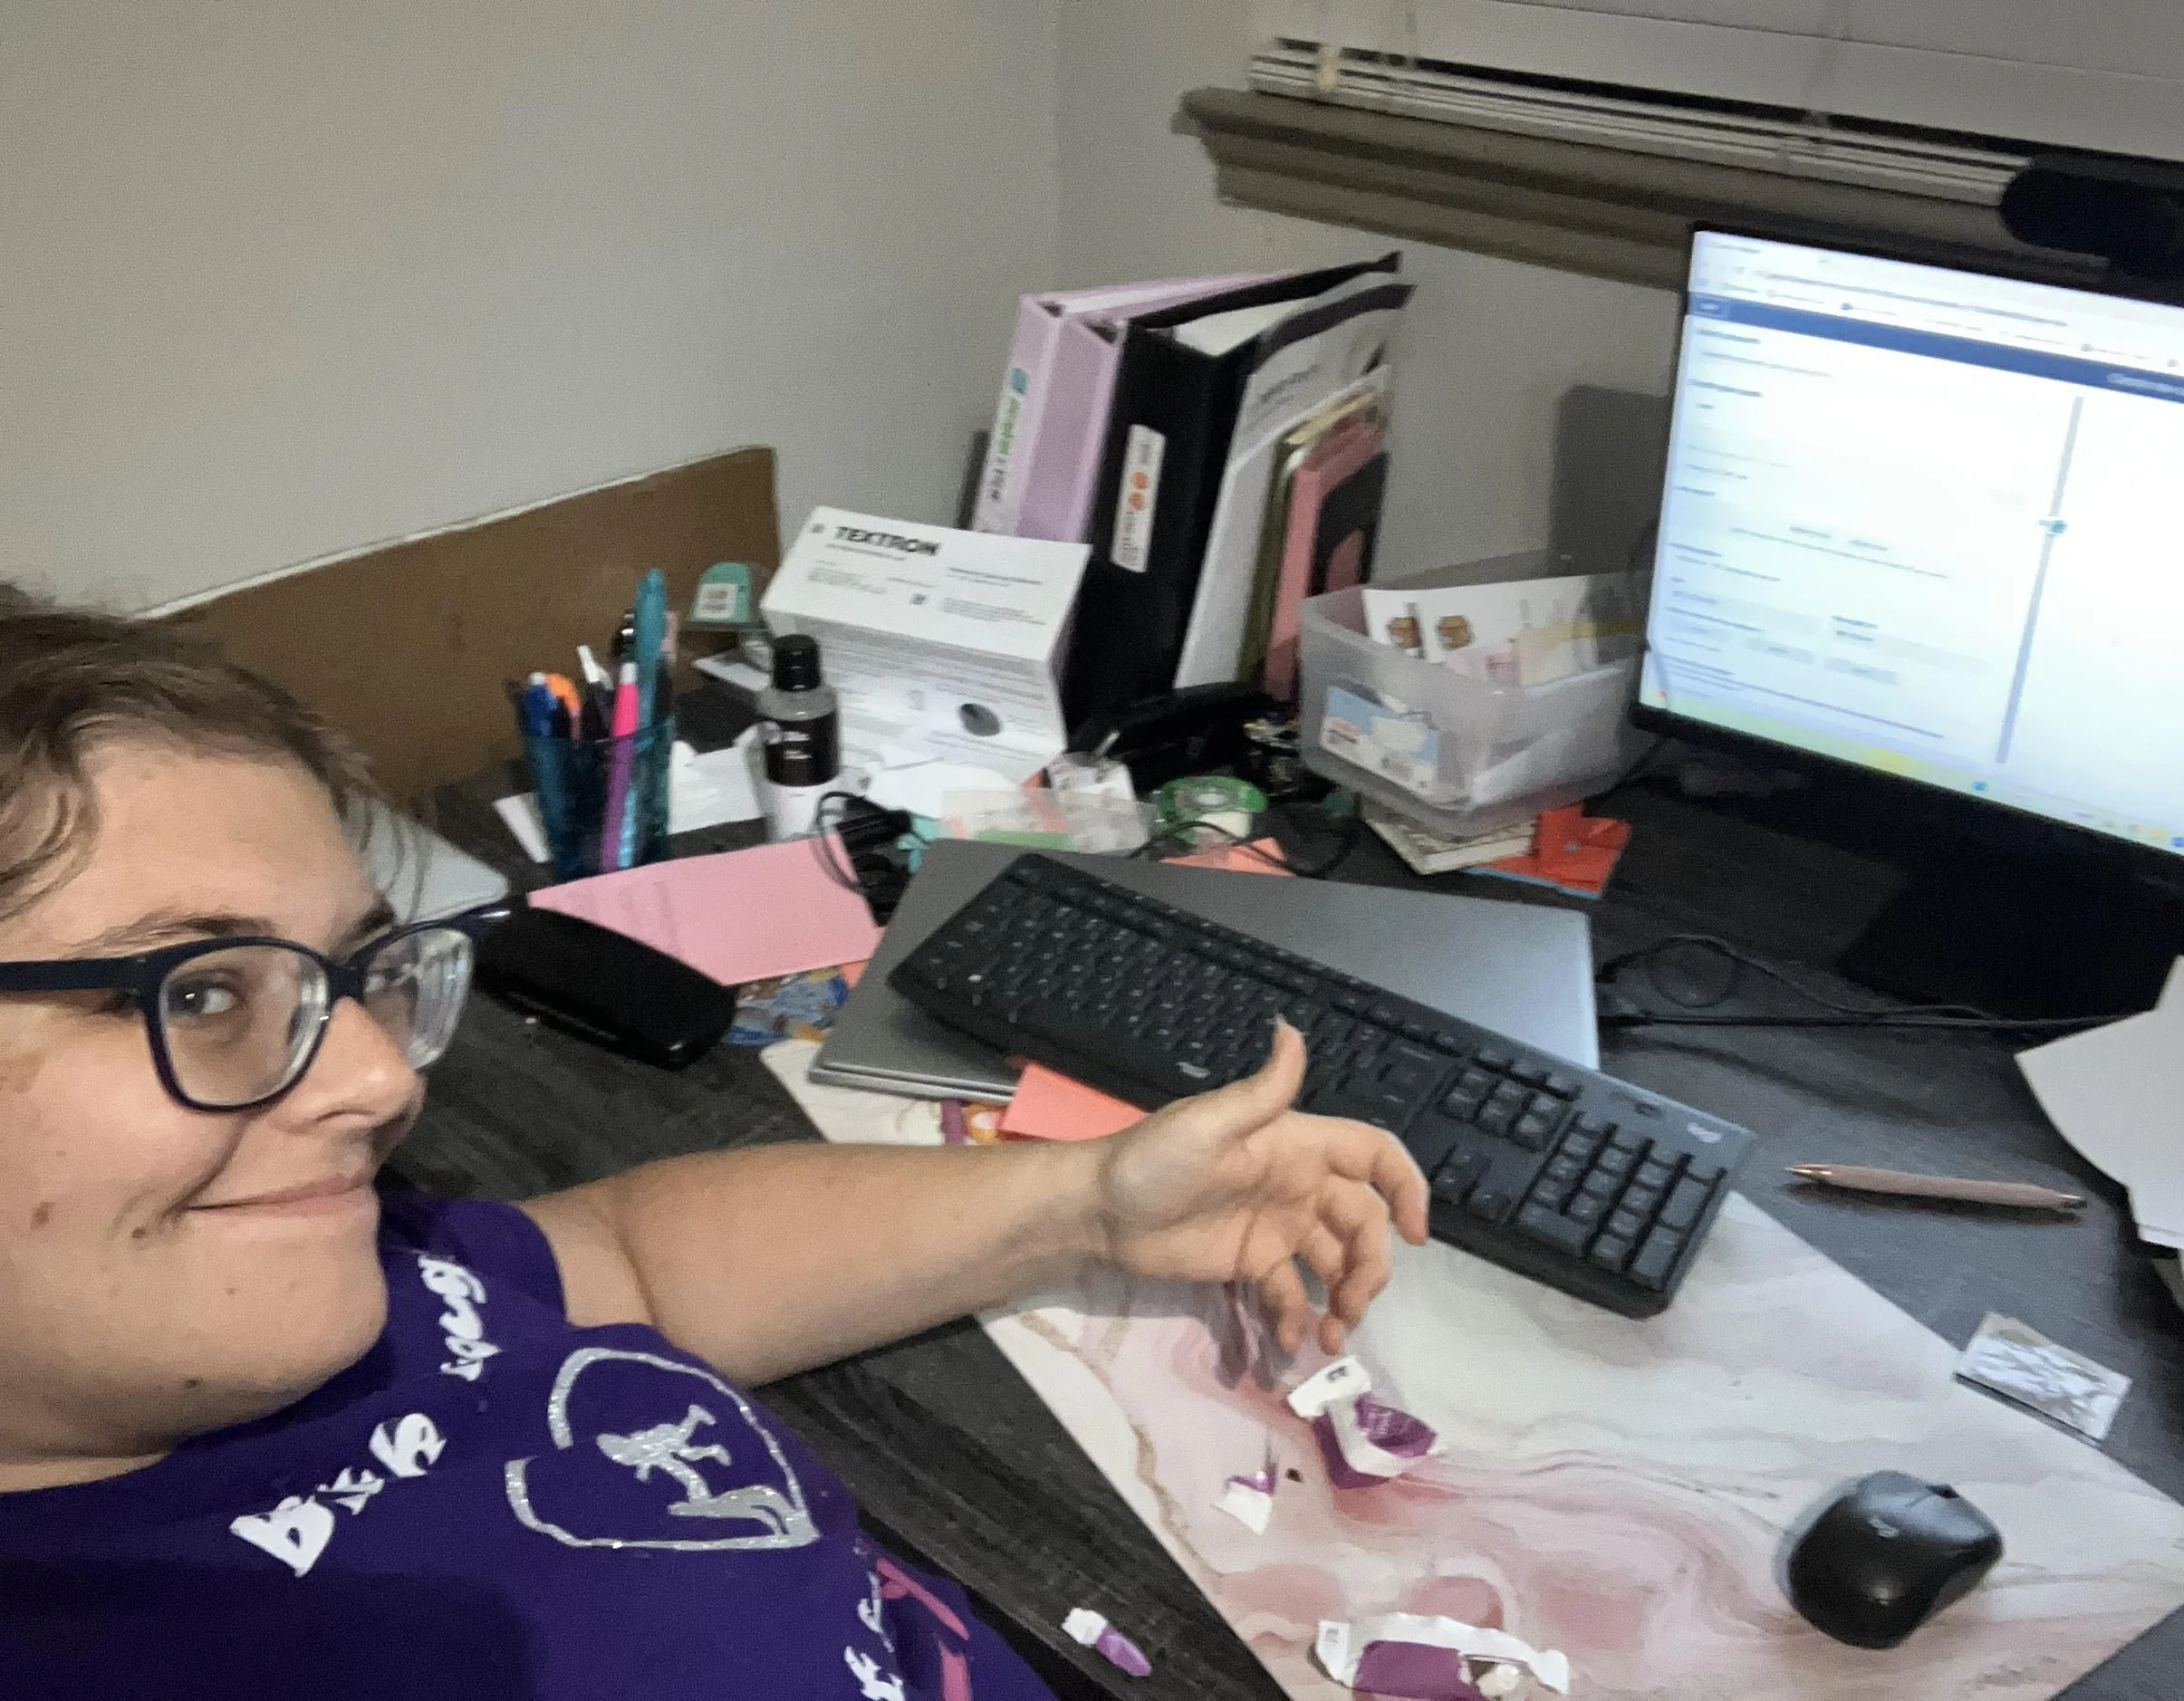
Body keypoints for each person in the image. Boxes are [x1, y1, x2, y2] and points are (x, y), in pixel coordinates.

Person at [0, 587, 1429, 1699]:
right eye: (197, 992)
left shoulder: (325, 1281)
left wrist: (1092, 1200)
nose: (377, 1079)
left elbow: (630, 1258)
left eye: (356, 972)